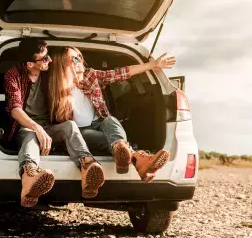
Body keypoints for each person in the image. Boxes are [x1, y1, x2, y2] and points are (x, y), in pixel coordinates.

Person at [48, 47, 176, 182]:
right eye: (74, 59)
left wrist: (153, 65)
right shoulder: (53, 87)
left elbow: (119, 73)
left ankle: (122, 153)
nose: (80, 61)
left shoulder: (90, 76)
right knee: (106, 139)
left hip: (99, 124)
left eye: (80, 57)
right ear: (61, 63)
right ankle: (139, 160)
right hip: (78, 133)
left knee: (111, 120)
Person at [4, 39, 105, 208]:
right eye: (44, 59)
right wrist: (36, 128)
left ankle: (87, 167)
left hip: (50, 126)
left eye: (48, 56)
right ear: (30, 64)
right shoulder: (13, 75)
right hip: (24, 127)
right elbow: (15, 109)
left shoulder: (49, 73)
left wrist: (75, 60)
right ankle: (29, 177)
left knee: (70, 126)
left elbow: (69, 69)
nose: (49, 61)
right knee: (30, 136)